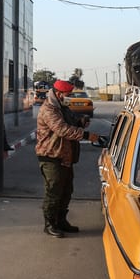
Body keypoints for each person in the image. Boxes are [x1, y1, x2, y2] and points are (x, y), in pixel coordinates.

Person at [35, 79, 99, 237]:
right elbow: (62, 129)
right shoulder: (49, 109)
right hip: (51, 156)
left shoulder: (62, 107)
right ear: (58, 94)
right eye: (67, 94)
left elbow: (71, 122)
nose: (69, 97)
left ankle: (61, 221)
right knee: (53, 192)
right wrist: (86, 135)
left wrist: (81, 122)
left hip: (65, 156)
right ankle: (50, 224)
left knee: (66, 191)